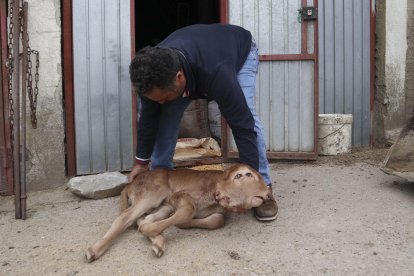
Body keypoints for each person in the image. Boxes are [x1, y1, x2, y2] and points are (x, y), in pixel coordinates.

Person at [128, 23, 278, 221]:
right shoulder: (151, 77)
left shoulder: (217, 73)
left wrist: (247, 188)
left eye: (164, 97)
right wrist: (141, 162)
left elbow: (243, 127)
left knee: (246, 114)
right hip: (197, 55)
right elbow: (148, 120)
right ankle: (162, 182)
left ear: (179, 78)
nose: (161, 102)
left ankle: (264, 185)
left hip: (238, 52)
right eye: (156, 99)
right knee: (164, 118)